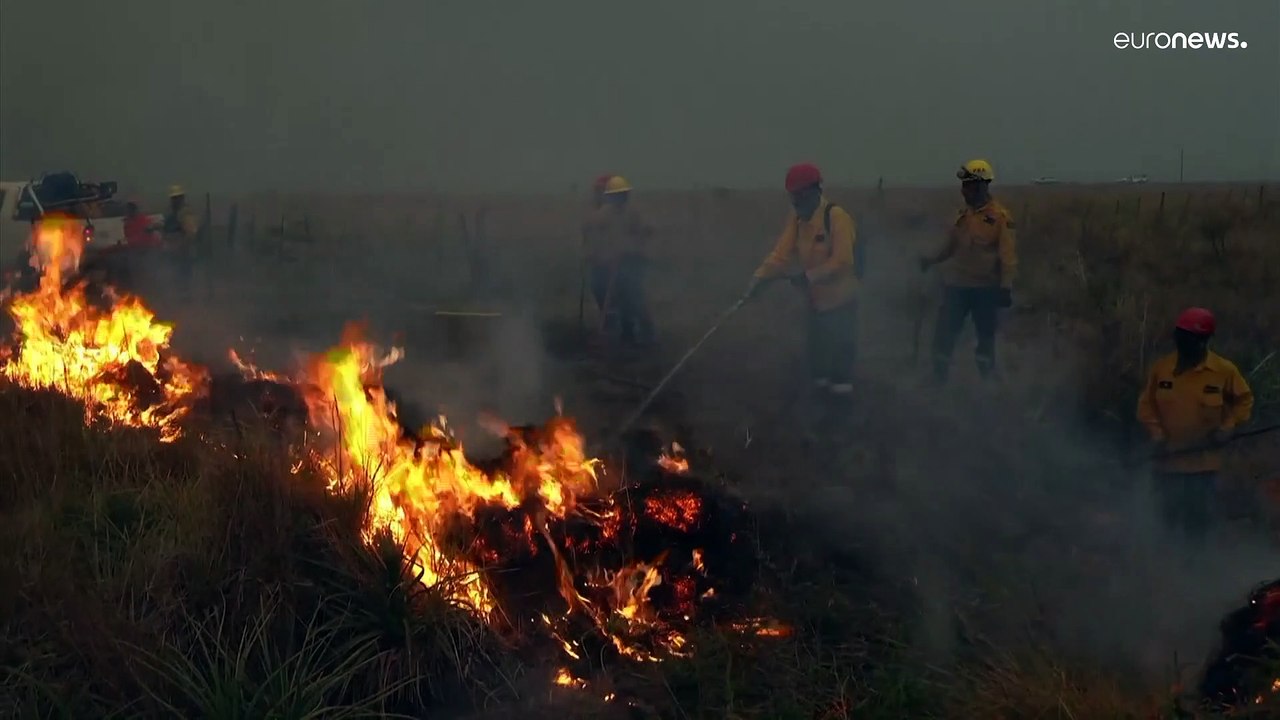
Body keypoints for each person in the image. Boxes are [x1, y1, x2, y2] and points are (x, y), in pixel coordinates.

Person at [1136, 307, 1254, 543]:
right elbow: (1146, 406)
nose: (1183, 344)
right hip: (1167, 461)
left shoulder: (1223, 371)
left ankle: (1197, 564)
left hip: (1203, 465)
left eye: (1189, 340)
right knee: (1166, 519)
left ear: (1203, 341)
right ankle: (1167, 564)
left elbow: (1244, 401)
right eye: (1180, 337)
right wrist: (1157, 435)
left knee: (1198, 521)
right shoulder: (1162, 368)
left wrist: (1227, 428)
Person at [745, 163, 859, 396]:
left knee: (840, 369)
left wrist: (809, 277)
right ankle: (819, 405)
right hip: (816, 304)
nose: (797, 203)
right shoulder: (796, 219)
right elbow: (780, 254)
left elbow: (843, 261)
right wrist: (759, 279)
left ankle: (842, 415)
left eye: (801, 197)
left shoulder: (836, 217)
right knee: (817, 361)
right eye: (793, 197)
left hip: (841, 305)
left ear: (816, 191)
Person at [918, 159, 1017, 383]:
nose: (963, 191)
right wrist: (931, 260)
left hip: (985, 290)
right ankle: (938, 380)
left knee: (985, 339)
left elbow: (1008, 257)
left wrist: (1005, 287)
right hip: (957, 287)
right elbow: (951, 246)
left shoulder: (1000, 218)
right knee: (943, 335)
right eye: (963, 185)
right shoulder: (963, 216)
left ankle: (988, 383)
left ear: (982, 186)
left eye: (968, 185)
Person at [582, 175, 655, 348]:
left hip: (629, 265)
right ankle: (612, 337)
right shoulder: (600, 217)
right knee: (607, 300)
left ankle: (637, 335)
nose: (622, 198)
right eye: (618, 195)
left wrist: (633, 248)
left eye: (624, 194)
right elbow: (591, 240)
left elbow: (644, 233)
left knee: (633, 301)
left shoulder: (633, 214)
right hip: (606, 267)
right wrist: (595, 255)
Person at [162, 185, 201, 300]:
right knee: (175, 276)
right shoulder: (172, 213)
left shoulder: (186, 213)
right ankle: (179, 297)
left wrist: (181, 245)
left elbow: (191, 233)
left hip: (184, 251)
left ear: (182, 198)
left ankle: (185, 299)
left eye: (177, 198)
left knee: (183, 276)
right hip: (173, 250)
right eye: (173, 198)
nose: (174, 201)